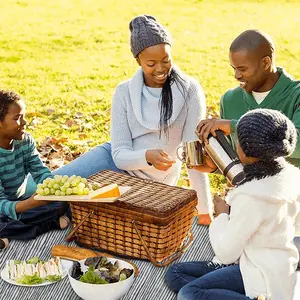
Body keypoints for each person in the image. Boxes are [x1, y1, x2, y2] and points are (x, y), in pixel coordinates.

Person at [42, 15, 213, 224]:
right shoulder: (124, 92)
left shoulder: (189, 91)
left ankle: (58, 217)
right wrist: (147, 156)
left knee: (94, 216)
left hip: (152, 185)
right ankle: (11, 211)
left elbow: (192, 157)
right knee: (49, 187)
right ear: (138, 61)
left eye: (166, 60)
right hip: (114, 162)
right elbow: (120, 154)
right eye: (151, 63)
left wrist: (205, 211)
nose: (160, 69)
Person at [166, 108, 300, 300]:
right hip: (276, 265)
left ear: (244, 150)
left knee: (189, 293)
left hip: (259, 273)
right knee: (176, 273)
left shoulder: (251, 196)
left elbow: (226, 252)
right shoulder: (292, 177)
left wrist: (222, 215)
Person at [196, 29, 300, 170]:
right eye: (234, 69)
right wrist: (214, 166)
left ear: (266, 63)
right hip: (249, 189)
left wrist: (235, 127)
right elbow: (237, 161)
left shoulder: (296, 95)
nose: (237, 75)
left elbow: (296, 144)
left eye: (242, 69)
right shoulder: (230, 99)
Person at [0, 90, 70, 249]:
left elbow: (40, 172)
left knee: (62, 204)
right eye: (17, 118)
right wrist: (30, 204)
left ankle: (9, 231)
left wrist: (55, 189)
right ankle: (48, 224)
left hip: (19, 201)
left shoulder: (25, 141)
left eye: (24, 116)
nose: (24, 122)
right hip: (5, 206)